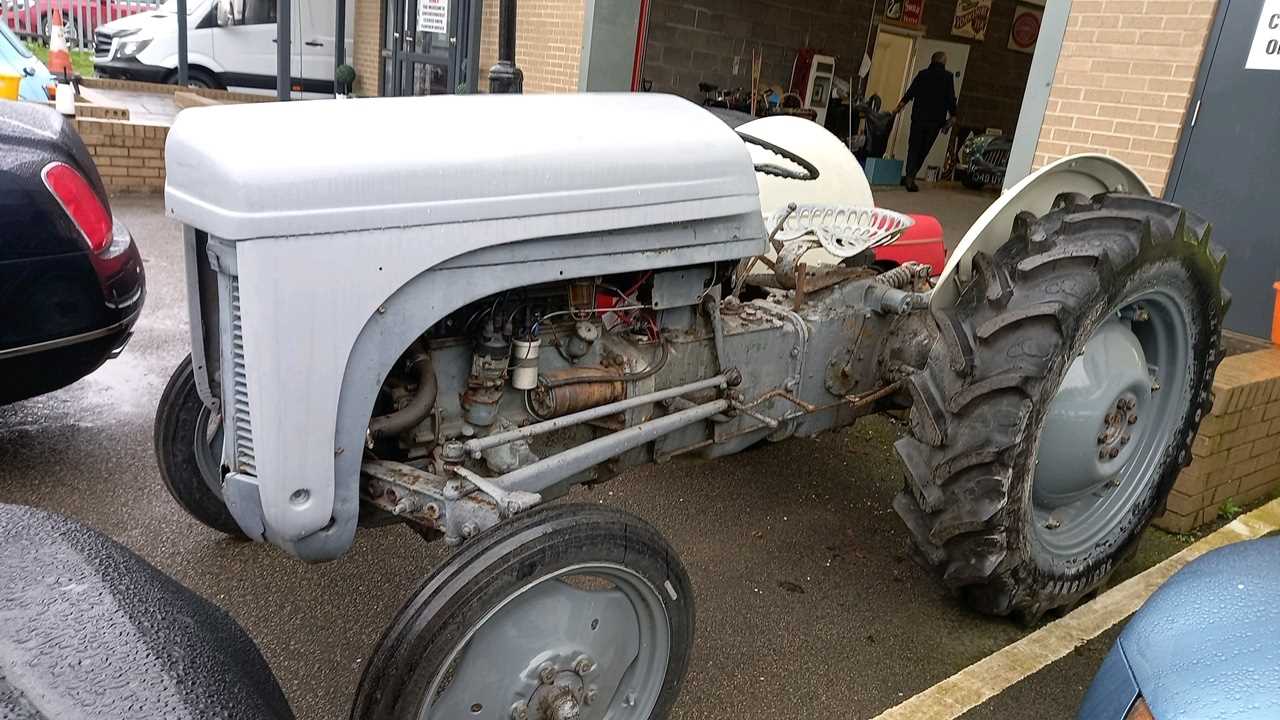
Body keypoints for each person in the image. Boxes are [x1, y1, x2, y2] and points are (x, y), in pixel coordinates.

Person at [893, 52, 957, 192]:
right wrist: (953, 115)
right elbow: (951, 98)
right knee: (923, 150)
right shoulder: (947, 77)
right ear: (943, 62)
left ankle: (910, 175)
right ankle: (911, 176)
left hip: (918, 119)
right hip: (935, 121)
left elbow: (910, 93)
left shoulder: (922, 74)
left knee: (914, 148)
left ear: (932, 60)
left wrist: (898, 108)